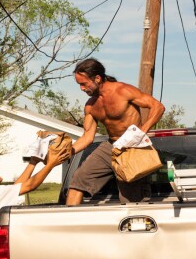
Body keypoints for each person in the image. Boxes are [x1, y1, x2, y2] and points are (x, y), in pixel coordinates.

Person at [67, 58, 165, 205]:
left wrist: (141, 132)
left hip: (132, 147)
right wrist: (67, 152)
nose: (82, 88)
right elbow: (87, 136)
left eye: (83, 83)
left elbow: (157, 107)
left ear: (97, 78)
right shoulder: (90, 106)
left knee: (130, 199)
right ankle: (70, 224)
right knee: (78, 181)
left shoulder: (123, 91)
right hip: (110, 146)